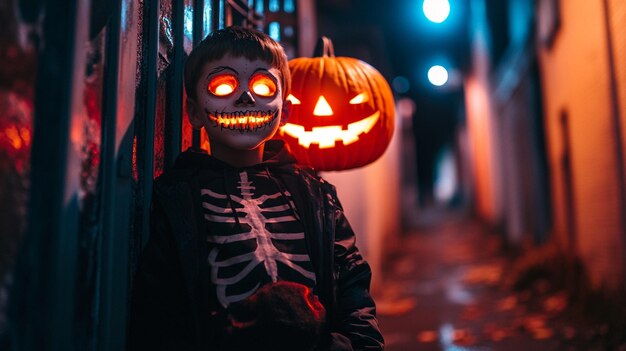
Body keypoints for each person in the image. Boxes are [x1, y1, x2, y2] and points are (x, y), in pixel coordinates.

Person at [127, 26, 384, 351]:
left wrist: (358, 345)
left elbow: (352, 280)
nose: (246, 97)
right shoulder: (178, 198)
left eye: (263, 85)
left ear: (286, 111)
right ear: (194, 112)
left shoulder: (316, 194)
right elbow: (159, 309)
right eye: (223, 85)